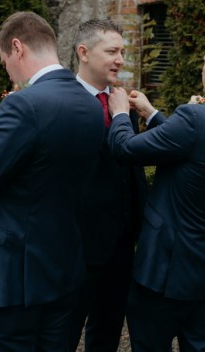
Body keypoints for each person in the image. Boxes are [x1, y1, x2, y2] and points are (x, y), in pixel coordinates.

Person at [0, 11, 105, 352]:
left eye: (5, 62)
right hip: (63, 270)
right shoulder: (90, 103)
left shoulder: (22, 104)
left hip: (13, 280)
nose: (8, 70)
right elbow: (42, 167)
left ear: (17, 48)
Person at [107, 26, 205, 351]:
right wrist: (152, 114)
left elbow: (124, 149)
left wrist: (120, 113)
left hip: (165, 272)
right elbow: (200, 150)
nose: (203, 67)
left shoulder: (196, 116)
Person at [68, 19, 147, 352]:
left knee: (108, 329)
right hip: (74, 245)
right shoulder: (61, 103)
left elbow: (131, 167)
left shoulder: (121, 104)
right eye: (112, 51)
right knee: (64, 329)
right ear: (83, 53)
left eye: (123, 52)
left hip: (120, 245)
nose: (120, 59)